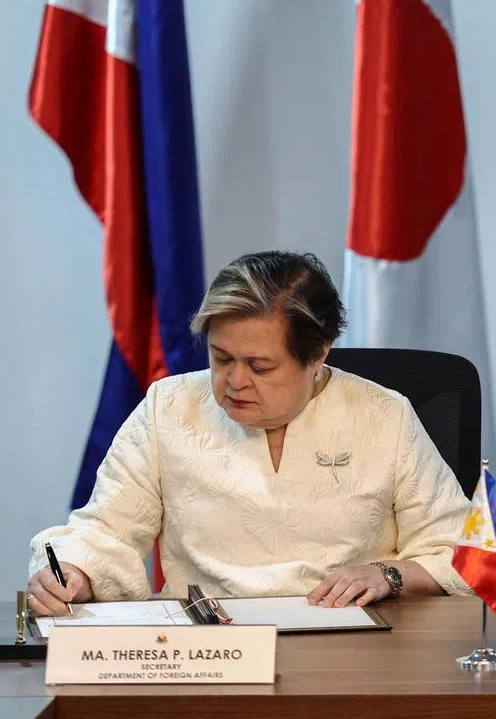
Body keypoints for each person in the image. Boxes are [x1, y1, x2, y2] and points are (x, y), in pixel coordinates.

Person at [27, 251, 471, 615]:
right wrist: (73, 573)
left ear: (317, 355)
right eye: (221, 359)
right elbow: (107, 530)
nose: (235, 381)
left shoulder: (384, 416)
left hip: (351, 642)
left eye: (260, 366)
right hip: (208, 649)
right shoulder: (169, 408)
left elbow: (461, 551)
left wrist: (387, 575)